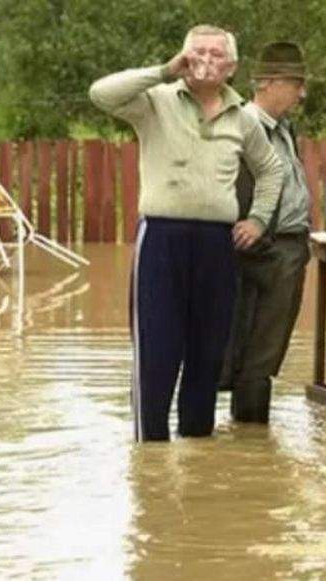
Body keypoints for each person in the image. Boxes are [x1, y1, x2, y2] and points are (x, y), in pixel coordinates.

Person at [89, 25, 283, 442]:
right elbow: (101, 93)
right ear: (183, 58)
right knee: (157, 352)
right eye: (197, 53)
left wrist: (259, 219)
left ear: (231, 68)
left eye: (216, 54)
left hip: (217, 243)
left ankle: (198, 455)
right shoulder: (155, 102)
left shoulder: (243, 117)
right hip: (161, 238)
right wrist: (164, 70)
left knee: (207, 354)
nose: (207, 60)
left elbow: (271, 169)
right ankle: (150, 459)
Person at [219, 42, 311, 424]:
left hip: (283, 246)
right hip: (264, 249)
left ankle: (246, 448)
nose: (302, 92)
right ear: (269, 83)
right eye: (295, 83)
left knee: (261, 351)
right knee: (255, 351)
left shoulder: (283, 128)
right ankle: (250, 441)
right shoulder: (246, 126)